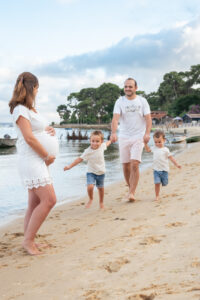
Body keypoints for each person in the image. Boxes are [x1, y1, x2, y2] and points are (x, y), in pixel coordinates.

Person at [9, 72, 59, 255]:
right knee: (50, 199)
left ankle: (29, 239)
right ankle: (28, 242)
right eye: (37, 88)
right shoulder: (20, 109)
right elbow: (29, 138)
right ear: (32, 88)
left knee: (34, 202)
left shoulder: (29, 110)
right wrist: (46, 156)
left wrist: (49, 130)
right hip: (32, 160)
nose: (38, 92)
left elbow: (36, 131)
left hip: (37, 160)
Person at [110, 78, 152, 201]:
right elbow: (115, 119)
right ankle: (130, 189)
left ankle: (132, 192)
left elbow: (148, 119)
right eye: (126, 87)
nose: (127, 89)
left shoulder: (142, 101)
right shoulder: (119, 101)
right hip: (123, 136)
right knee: (125, 166)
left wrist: (147, 133)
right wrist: (113, 132)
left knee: (134, 163)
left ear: (136, 88)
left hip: (138, 136)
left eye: (130, 86)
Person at [64, 130, 111, 209]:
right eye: (93, 141)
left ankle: (101, 202)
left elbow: (107, 143)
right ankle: (91, 199)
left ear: (101, 141)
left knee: (101, 188)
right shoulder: (87, 151)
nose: (94, 143)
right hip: (91, 172)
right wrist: (69, 166)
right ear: (90, 140)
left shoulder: (102, 146)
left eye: (97, 141)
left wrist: (111, 140)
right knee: (90, 187)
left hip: (101, 172)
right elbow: (79, 159)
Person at [144, 130, 181, 201]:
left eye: (159, 142)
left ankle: (164, 182)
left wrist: (177, 164)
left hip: (164, 170)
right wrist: (145, 144)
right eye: (155, 142)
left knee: (165, 183)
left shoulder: (166, 150)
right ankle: (157, 196)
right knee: (157, 183)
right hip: (156, 170)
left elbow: (171, 158)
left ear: (164, 140)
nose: (157, 144)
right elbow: (148, 150)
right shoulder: (154, 148)